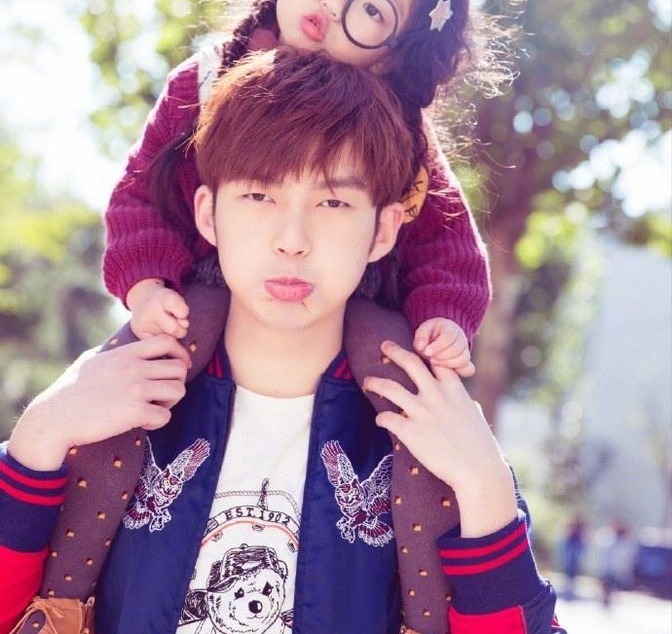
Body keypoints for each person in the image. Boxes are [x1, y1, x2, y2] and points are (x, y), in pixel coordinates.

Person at [34, 0, 526, 630]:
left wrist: (444, 321)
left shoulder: (402, 138)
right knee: (127, 398)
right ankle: (63, 597)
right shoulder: (206, 78)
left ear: (395, 53)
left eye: (371, 12)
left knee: (412, 417)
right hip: (190, 304)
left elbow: (448, 243)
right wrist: (145, 285)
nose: (332, 9)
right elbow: (139, 193)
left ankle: (425, 603)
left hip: (357, 321)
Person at [1, 49, 564, 634]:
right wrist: (39, 435)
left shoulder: (429, 437)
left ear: (383, 230)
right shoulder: (111, 402)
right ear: (208, 214)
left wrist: (486, 487)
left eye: (333, 202)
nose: (292, 239)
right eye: (259, 196)